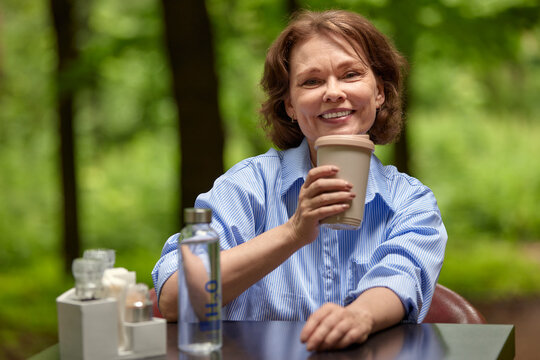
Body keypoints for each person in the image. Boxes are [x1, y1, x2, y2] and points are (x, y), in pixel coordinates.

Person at [152, 9, 447, 352]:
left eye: (350, 74)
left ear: (379, 92)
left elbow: (401, 277)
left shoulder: (411, 202)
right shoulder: (247, 187)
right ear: (290, 104)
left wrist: (359, 316)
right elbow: (174, 298)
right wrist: (293, 231)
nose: (333, 92)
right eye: (312, 81)